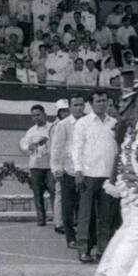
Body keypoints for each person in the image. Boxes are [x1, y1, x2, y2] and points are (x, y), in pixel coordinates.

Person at [72, 90, 118, 263]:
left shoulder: (114, 123)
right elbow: (77, 148)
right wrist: (78, 171)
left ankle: (102, 250)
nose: (102, 104)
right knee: (85, 215)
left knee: (105, 217)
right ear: (90, 104)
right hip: (88, 175)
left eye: (104, 101)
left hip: (108, 176)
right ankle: (83, 250)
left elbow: (117, 150)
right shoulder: (83, 123)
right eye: (98, 101)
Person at [49, 95, 84, 246]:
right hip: (68, 171)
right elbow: (56, 149)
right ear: (70, 107)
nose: (79, 108)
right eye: (75, 105)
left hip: (85, 170)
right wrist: (57, 168)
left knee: (84, 208)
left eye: (81, 105)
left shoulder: (88, 122)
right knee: (68, 208)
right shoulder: (63, 125)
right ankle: (71, 238)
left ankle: (84, 237)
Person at [19, 104, 53, 227]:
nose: (36, 118)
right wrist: (29, 146)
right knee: (38, 194)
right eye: (33, 116)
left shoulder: (53, 127)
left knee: (54, 192)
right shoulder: (31, 131)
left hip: (50, 165)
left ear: (44, 114)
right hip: (36, 166)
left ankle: (57, 219)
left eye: (38, 115)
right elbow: (23, 146)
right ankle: (41, 219)